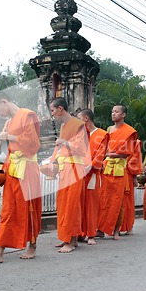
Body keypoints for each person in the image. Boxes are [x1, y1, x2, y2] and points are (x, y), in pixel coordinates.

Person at [0, 92, 41, 263]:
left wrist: (10, 136)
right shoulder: (8, 122)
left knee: (29, 208)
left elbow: (34, 144)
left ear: (5, 101)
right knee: (8, 210)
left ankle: (32, 245)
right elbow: (10, 150)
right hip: (13, 168)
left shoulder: (27, 115)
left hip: (28, 168)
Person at [46, 98, 89, 253]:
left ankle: (71, 241)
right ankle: (69, 238)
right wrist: (52, 164)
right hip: (65, 168)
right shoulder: (64, 126)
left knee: (71, 203)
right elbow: (61, 149)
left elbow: (82, 148)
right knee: (64, 203)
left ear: (60, 109)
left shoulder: (78, 125)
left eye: (52, 110)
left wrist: (65, 142)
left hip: (75, 168)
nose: (52, 114)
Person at [98, 105, 138, 240]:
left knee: (118, 200)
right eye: (112, 111)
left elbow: (127, 152)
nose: (113, 114)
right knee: (103, 199)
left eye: (116, 112)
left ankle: (116, 230)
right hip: (107, 167)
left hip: (120, 169)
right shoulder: (109, 130)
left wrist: (110, 154)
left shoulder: (129, 131)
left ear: (123, 115)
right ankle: (101, 229)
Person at [76, 108, 108, 245]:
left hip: (92, 172)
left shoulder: (102, 134)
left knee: (91, 204)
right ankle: (79, 232)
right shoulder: (81, 134)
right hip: (79, 172)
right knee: (80, 204)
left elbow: (101, 154)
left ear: (86, 118)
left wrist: (90, 166)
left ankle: (91, 234)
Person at [121, 139, 142, 235]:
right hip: (113, 172)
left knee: (128, 201)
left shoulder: (135, 143)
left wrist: (134, 176)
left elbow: (135, 160)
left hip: (127, 174)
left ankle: (129, 226)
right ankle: (115, 227)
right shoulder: (113, 139)